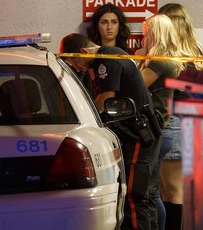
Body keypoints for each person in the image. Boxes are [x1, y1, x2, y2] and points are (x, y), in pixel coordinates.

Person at [60, 33, 161, 230]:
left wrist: (81, 122)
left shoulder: (107, 60)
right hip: (138, 131)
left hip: (138, 134)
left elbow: (104, 101)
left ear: (82, 52)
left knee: (133, 196)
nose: (78, 67)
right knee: (144, 196)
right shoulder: (109, 57)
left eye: (76, 62)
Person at [157, 4, 203, 230]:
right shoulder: (198, 52)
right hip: (193, 123)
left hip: (174, 122)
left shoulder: (171, 55)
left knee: (171, 190)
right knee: (174, 190)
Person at [136, 14, 188, 230]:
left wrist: (138, 58)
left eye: (146, 34)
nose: (143, 38)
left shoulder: (160, 61)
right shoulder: (168, 60)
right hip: (164, 127)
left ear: (155, 34)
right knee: (163, 191)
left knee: (161, 191)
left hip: (162, 128)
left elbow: (137, 86)